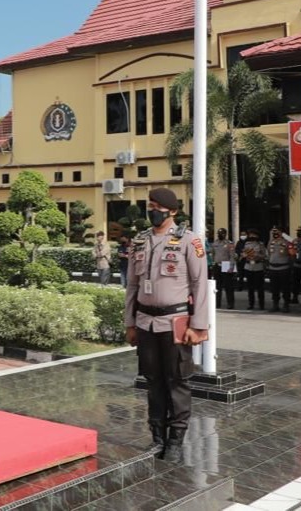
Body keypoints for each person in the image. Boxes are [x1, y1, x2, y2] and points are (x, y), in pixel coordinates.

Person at [124, 187, 209, 462]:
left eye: (158, 207)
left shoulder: (189, 241)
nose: (153, 211)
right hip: (145, 322)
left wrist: (199, 325)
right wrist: (130, 323)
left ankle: (175, 440)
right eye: (150, 206)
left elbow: (199, 284)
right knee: (153, 381)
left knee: (177, 381)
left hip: (176, 322)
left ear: (172, 210)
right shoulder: (140, 241)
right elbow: (132, 285)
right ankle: (157, 437)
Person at [267, 226, 294, 313]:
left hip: (283, 268)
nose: (275, 233)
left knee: (285, 287)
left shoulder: (287, 242)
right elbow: (269, 253)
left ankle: (286, 304)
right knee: (274, 288)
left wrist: (286, 237)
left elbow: (292, 253)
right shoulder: (271, 242)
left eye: (277, 231)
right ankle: (275, 304)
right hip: (273, 268)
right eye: (274, 232)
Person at [241, 229, 267, 311]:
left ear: (257, 236)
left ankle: (261, 305)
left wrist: (256, 255)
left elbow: (265, 255)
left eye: (253, 235)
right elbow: (243, 254)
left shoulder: (260, 244)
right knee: (250, 288)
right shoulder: (246, 244)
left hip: (258, 266)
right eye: (250, 235)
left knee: (260, 288)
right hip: (248, 266)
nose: (251, 236)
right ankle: (251, 304)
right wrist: (244, 255)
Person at [211, 228, 236, 310]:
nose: (220, 235)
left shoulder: (229, 243)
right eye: (219, 233)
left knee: (228, 286)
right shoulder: (215, 243)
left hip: (226, 265)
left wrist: (231, 267)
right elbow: (213, 254)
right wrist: (213, 263)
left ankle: (230, 304)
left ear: (225, 234)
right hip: (217, 265)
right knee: (217, 286)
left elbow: (232, 256)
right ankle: (217, 303)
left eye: (222, 233)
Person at [291, 227, 301, 305]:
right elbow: (291, 251)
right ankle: (295, 297)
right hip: (296, 265)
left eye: (300, 231)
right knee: (295, 283)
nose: (298, 233)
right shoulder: (295, 241)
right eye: (298, 231)